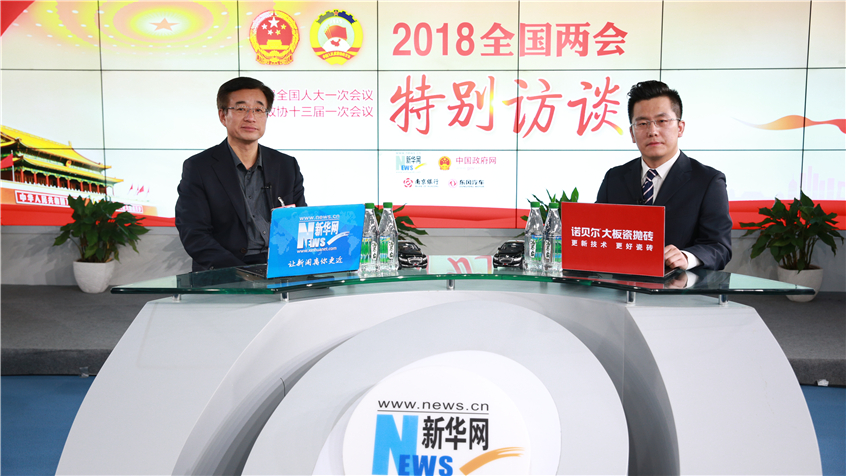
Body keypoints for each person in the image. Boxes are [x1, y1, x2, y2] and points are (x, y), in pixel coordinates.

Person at [596, 80, 732, 270]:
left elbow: (719, 247)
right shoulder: (614, 178)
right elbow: (597, 235)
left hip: (679, 286)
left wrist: (687, 257)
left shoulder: (708, 181)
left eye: (662, 121)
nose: (652, 131)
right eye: (642, 123)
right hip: (621, 284)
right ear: (632, 133)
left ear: (680, 127)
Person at [176, 77, 306, 271]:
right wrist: (241, 273)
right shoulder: (199, 167)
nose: (250, 117)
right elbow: (194, 234)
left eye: (259, 110)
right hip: (226, 270)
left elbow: (301, 223)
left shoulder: (286, 165)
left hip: (281, 266)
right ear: (223, 115)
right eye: (241, 109)